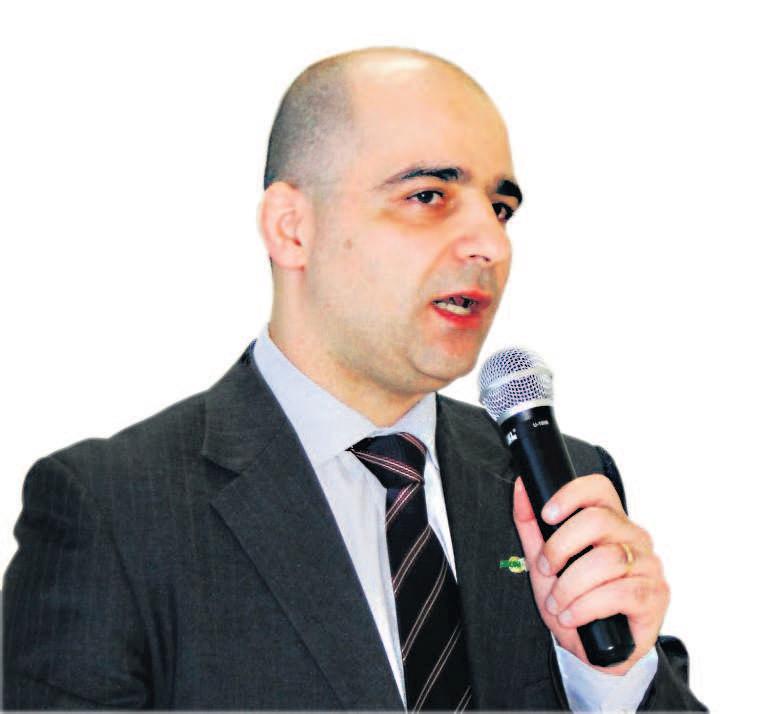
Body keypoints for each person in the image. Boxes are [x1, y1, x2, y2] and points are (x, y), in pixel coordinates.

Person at [2, 46, 706, 711]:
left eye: (500, 209)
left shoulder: (562, 489)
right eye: (428, 195)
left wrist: (611, 679)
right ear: (292, 229)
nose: (491, 244)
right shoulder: (113, 513)